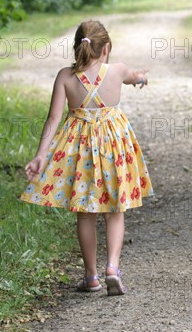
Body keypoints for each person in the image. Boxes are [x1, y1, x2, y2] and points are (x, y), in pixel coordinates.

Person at [20, 20, 153, 296]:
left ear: (77, 47)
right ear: (106, 49)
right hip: (113, 146)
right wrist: (142, 78)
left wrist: (40, 156)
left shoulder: (65, 77)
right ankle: (112, 269)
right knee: (115, 209)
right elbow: (134, 78)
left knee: (86, 211)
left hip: (80, 149)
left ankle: (91, 275)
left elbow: (54, 118)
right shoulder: (116, 71)